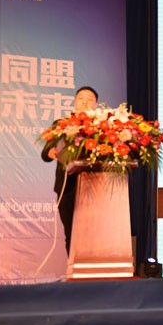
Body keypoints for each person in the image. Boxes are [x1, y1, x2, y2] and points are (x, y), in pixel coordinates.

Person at [41, 86, 98, 254]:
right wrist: (50, 152)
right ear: (74, 102)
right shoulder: (61, 125)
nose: (85, 102)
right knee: (71, 234)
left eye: (90, 99)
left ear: (96, 105)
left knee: (93, 234)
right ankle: (73, 267)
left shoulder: (103, 127)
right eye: (81, 98)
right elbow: (45, 153)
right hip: (67, 187)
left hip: (95, 187)